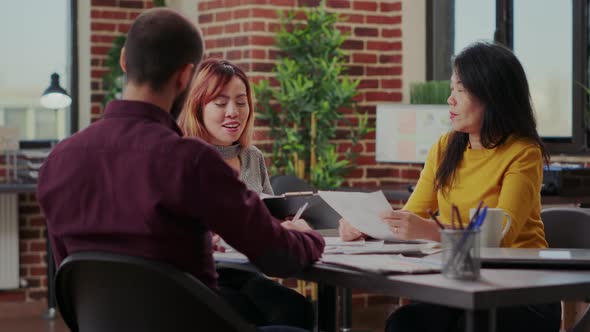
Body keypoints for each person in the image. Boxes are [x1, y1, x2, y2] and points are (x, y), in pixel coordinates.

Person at [36, 8, 323, 332]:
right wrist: (309, 237)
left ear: (124, 62)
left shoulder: (56, 163)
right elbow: (278, 257)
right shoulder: (191, 161)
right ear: (186, 76)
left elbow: (71, 279)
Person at [339, 41, 561, 332]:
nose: (450, 99)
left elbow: (499, 237)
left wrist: (428, 230)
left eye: (460, 90)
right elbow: (411, 214)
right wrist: (363, 226)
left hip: (520, 290)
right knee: (404, 324)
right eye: (452, 88)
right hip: (458, 284)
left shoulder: (523, 152)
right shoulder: (445, 147)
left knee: (469, 326)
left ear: (492, 95)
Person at [177, 58, 314, 329]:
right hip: (201, 278)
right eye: (220, 103)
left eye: (241, 102)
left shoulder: (252, 157)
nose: (233, 112)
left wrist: (287, 227)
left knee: (297, 309)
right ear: (197, 106)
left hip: (247, 273)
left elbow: (269, 219)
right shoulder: (183, 156)